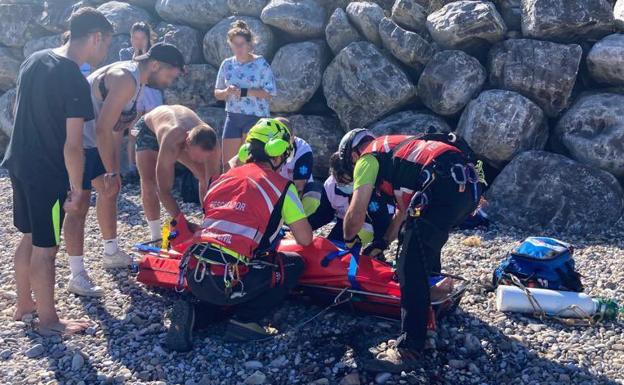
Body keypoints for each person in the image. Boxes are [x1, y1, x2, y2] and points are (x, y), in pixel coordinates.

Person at [0, 8, 113, 335]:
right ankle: (49, 321)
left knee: (30, 235)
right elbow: (73, 145)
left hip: (19, 162)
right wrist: (77, 189)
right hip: (48, 173)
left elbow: (20, 113)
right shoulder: (73, 78)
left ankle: (25, 305)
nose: (105, 50)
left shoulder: (34, 60)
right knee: (47, 248)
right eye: (106, 43)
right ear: (96, 37)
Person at [166, 118, 312, 351]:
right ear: (277, 152)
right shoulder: (282, 186)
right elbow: (305, 239)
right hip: (234, 276)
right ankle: (246, 321)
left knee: (222, 297)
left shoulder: (222, 179)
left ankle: (195, 313)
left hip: (196, 273)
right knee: (294, 265)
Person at [339, 129, 482, 362]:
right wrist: (382, 243)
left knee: (409, 267)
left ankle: (411, 345)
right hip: (467, 186)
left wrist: (349, 240)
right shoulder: (397, 152)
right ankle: (432, 307)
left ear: (353, 156)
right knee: (422, 244)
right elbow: (402, 215)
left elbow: (355, 214)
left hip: (442, 183)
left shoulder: (367, 159)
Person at [63, 43, 185, 297]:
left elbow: (117, 128)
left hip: (93, 142)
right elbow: (103, 129)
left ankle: (110, 252)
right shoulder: (125, 78)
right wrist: (111, 170)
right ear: (154, 65)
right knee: (79, 203)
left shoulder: (138, 81)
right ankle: (76, 274)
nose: (169, 82)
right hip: (76, 142)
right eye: (169, 75)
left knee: (110, 192)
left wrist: (113, 171)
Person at [134, 105, 221, 241]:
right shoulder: (172, 142)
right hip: (149, 128)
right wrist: (183, 223)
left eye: (204, 157)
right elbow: (163, 190)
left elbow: (213, 186)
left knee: (205, 177)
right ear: (187, 143)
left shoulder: (213, 145)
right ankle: (155, 235)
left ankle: (208, 222)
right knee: (149, 182)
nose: (201, 160)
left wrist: (213, 222)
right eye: (198, 156)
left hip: (181, 129)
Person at [214, 20, 276, 171]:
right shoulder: (227, 64)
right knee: (227, 166)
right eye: (234, 44)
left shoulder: (261, 64)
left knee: (249, 165)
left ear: (250, 44)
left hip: (255, 118)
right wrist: (227, 92)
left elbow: (270, 93)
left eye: (241, 44)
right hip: (233, 117)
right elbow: (217, 94)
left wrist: (245, 91)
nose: (238, 48)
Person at [307, 153, 392, 254]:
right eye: (338, 179)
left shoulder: (369, 189)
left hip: (368, 224)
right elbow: (324, 214)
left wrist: (378, 245)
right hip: (345, 222)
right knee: (330, 248)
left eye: (347, 181)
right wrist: (304, 227)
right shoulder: (330, 185)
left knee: (347, 250)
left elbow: (381, 221)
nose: (342, 184)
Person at [119, 22, 164, 178]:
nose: (138, 41)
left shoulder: (155, 53)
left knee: (153, 128)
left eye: (142, 38)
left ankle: (155, 168)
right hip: (136, 95)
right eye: (135, 38)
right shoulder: (125, 53)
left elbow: (154, 75)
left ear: (147, 38)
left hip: (152, 93)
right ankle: (133, 167)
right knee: (134, 130)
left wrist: (145, 51)